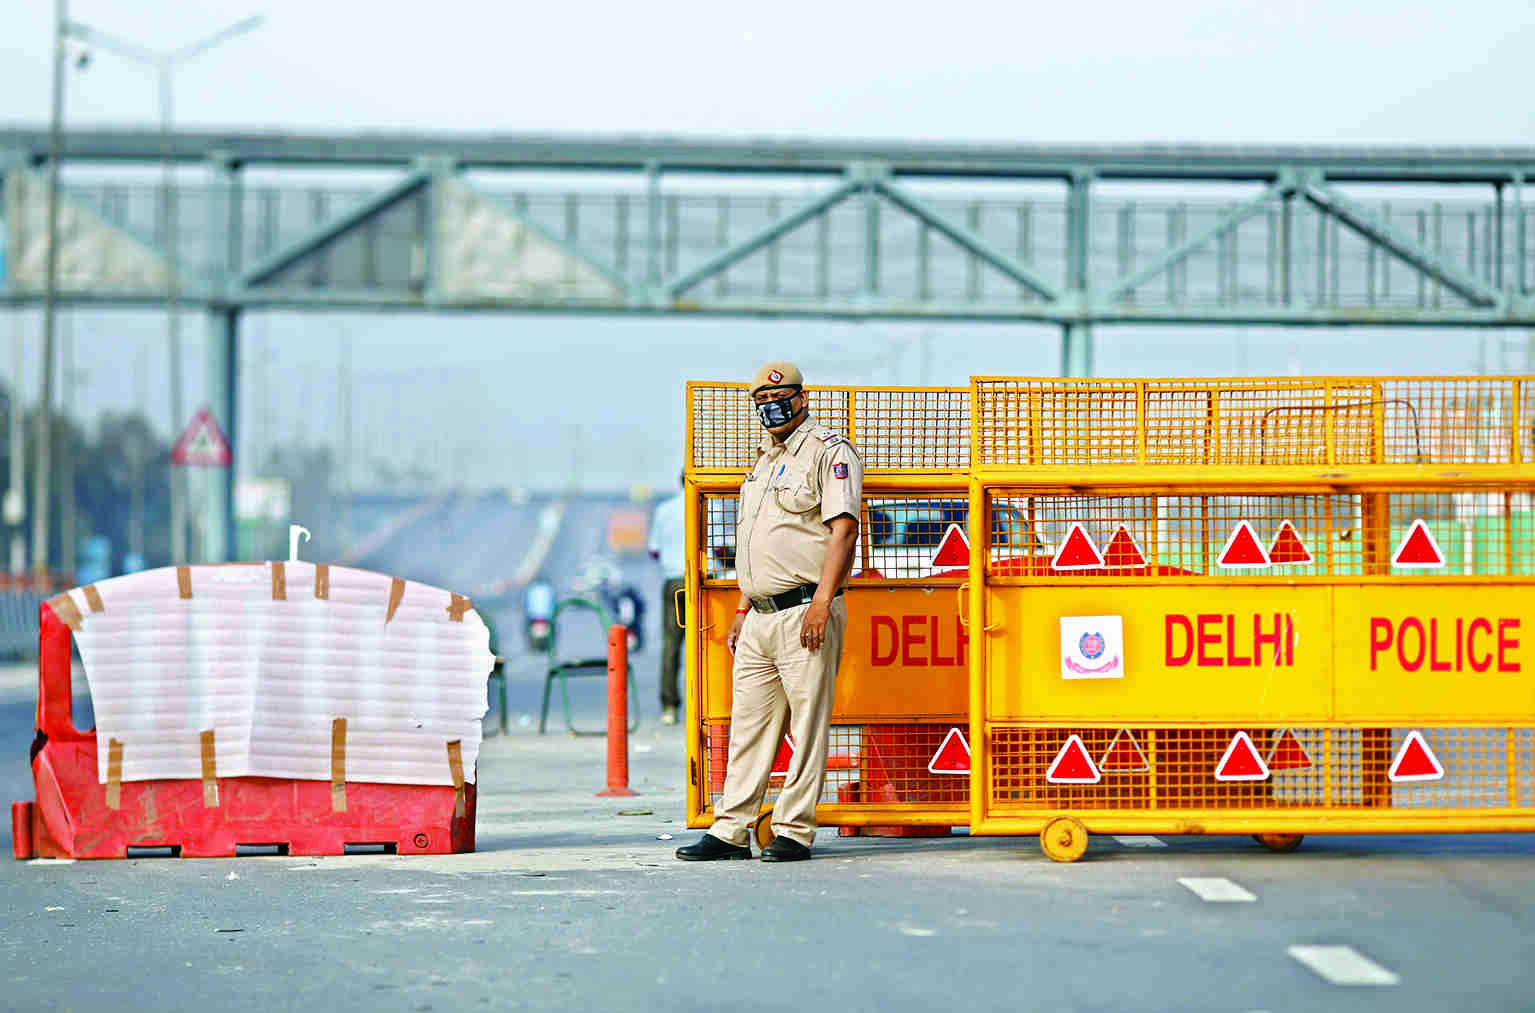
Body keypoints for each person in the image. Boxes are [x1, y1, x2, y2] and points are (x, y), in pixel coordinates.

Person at [676, 361, 862, 863]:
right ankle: (731, 828)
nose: (772, 405)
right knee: (750, 726)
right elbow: (753, 542)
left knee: (807, 725)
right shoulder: (760, 463)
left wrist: (823, 601)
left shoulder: (829, 452)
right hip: (758, 616)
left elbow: (843, 530)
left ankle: (795, 829)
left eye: (781, 396)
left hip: (806, 609)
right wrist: (742, 606)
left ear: (803, 398)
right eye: (762, 399)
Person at [649, 473, 686, 725]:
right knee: (706, 643)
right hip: (702, 583)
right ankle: (707, 699)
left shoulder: (664, 510)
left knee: (671, 645)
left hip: (673, 581)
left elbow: (654, 549)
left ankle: (669, 706)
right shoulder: (709, 505)